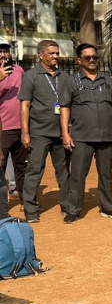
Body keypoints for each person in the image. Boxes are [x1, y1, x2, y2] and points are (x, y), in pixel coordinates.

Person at [59, 43, 112, 224]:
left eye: (94, 57)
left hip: (106, 136)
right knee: (78, 174)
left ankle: (108, 206)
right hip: (82, 137)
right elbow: (65, 108)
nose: (91, 60)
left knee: (106, 173)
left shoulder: (106, 81)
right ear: (79, 60)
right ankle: (73, 209)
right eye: (87, 57)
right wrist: (65, 133)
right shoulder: (71, 81)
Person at [18, 40, 70, 223]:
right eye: (51, 53)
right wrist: (25, 133)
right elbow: (24, 105)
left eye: (57, 53)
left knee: (63, 171)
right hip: (39, 132)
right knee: (34, 170)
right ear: (41, 55)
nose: (56, 56)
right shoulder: (31, 75)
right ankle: (31, 210)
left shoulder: (64, 76)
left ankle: (66, 205)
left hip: (61, 132)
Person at [0, 37, 26, 215]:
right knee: (0, 166)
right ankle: (2, 207)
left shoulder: (19, 70)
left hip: (21, 126)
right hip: (2, 130)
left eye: (5, 50)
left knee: (22, 166)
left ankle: (27, 202)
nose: (3, 54)